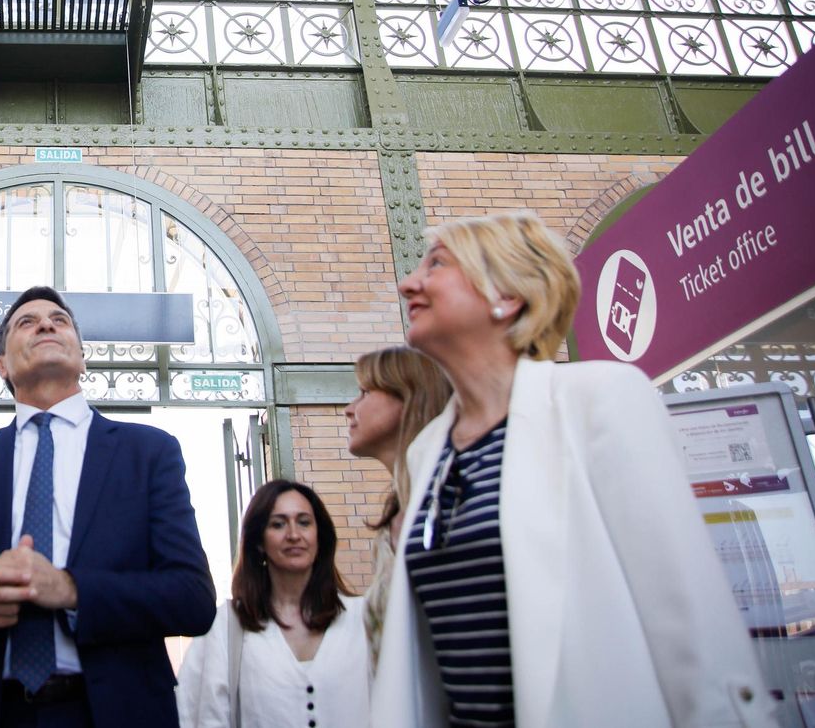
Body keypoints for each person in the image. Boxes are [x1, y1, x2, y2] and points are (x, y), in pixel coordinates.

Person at [372, 211, 776, 728]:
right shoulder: (428, 451)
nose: (408, 283)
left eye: (437, 265)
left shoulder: (600, 400)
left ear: (507, 295)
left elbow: (687, 611)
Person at [0, 285, 215, 728]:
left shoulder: (149, 453)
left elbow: (193, 599)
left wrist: (71, 590)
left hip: (117, 712)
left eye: (59, 320)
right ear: (2, 365)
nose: (46, 324)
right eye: (26, 323)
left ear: (82, 359)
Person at [176, 480, 368, 728]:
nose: (294, 535)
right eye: (278, 524)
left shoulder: (363, 618)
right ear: (258, 542)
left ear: (319, 536)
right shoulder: (226, 627)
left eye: (304, 522)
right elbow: (200, 716)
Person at [342, 346, 450, 670]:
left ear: (409, 398)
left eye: (364, 393)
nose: (349, 409)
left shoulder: (447, 506)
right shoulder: (390, 527)